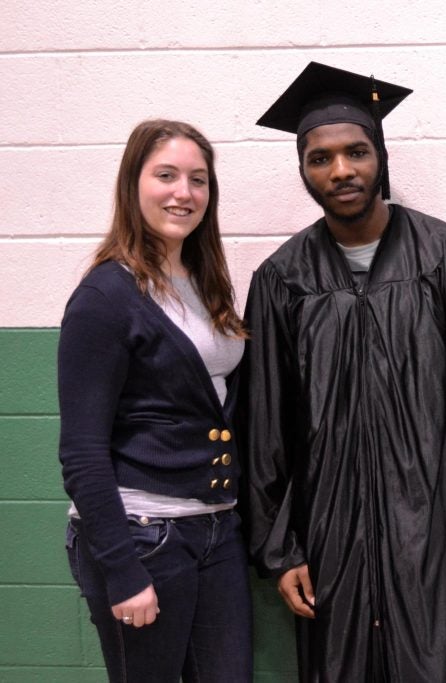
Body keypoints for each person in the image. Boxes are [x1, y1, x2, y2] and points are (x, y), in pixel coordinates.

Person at [242, 62, 446, 681]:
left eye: (356, 152)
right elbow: (266, 420)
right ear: (304, 169)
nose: (341, 170)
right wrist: (281, 548)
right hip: (328, 538)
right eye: (320, 158)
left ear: (380, 156)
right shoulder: (281, 280)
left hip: (431, 533)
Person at [58, 119, 252, 682]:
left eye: (198, 179)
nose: (183, 193)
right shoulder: (105, 296)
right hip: (144, 534)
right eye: (165, 175)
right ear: (132, 184)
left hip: (215, 529)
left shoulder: (203, 280)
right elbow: (82, 451)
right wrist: (121, 569)